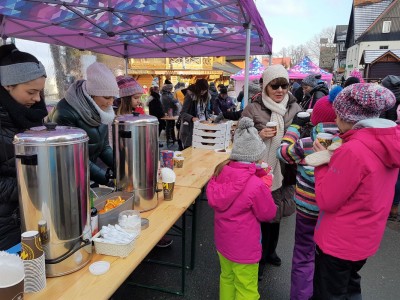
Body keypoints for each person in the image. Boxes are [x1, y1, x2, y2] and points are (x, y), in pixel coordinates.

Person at [310, 83, 399, 299]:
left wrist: (322, 163)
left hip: (338, 242)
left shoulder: (353, 150)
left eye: (337, 115)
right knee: (349, 287)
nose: (335, 120)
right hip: (364, 239)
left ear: (348, 117)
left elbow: (327, 200)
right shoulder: (388, 142)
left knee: (329, 292)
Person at [277, 86, 342, 300]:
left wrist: (295, 126)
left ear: (315, 120)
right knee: (327, 257)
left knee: (303, 255)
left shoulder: (306, 144)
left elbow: (283, 152)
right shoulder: (346, 144)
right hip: (333, 212)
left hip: (306, 209)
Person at [206, 117, 277, 300]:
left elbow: (240, 180)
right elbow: (268, 213)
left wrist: (257, 173)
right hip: (245, 248)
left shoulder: (221, 171)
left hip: (224, 243)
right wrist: (266, 185)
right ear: (255, 156)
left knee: (227, 278)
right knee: (246, 289)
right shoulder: (256, 185)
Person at [242, 64, 302, 279]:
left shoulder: (295, 108)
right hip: (260, 170)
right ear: (265, 86)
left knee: (275, 214)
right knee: (259, 216)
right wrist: (259, 134)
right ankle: (256, 258)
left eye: (284, 85)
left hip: (285, 169)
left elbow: (303, 135)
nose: (279, 90)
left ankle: (270, 251)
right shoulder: (252, 108)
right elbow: (240, 140)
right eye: (274, 85)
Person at [0, 44, 47, 250]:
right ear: (8, 85)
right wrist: (33, 186)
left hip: (32, 214)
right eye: (31, 92)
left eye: (40, 92)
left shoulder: (32, 116)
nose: (37, 99)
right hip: (5, 227)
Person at [50, 62, 118, 187]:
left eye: (113, 97)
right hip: (65, 179)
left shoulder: (103, 110)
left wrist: (123, 169)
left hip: (86, 175)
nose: (110, 103)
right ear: (91, 93)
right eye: (107, 97)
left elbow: (104, 147)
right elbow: (74, 158)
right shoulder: (64, 112)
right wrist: (106, 179)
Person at [381, 75, 400, 220]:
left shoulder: (387, 100)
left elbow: (382, 121)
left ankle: (389, 206)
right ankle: (394, 208)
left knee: (392, 174)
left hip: (390, 139)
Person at [179, 78, 210, 149]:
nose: (203, 92)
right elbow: (182, 113)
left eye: (204, 90)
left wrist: (207, 117)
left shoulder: (206, 96)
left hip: (203, 128)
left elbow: (205, 111)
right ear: (197, 88)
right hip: (191, 129)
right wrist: (192, 118)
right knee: (189, 153)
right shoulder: (190, 95)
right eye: (201, 90)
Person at [161, 79, 179, 144]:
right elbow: (171, 100)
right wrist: (176, 101)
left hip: (171, 111)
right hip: (168, 112)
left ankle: (173, 138)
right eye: (171, 88)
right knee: (169, 125)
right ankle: (169, 138)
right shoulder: (165, 94)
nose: (172, 89)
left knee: (171, 124)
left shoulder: (167, 93)